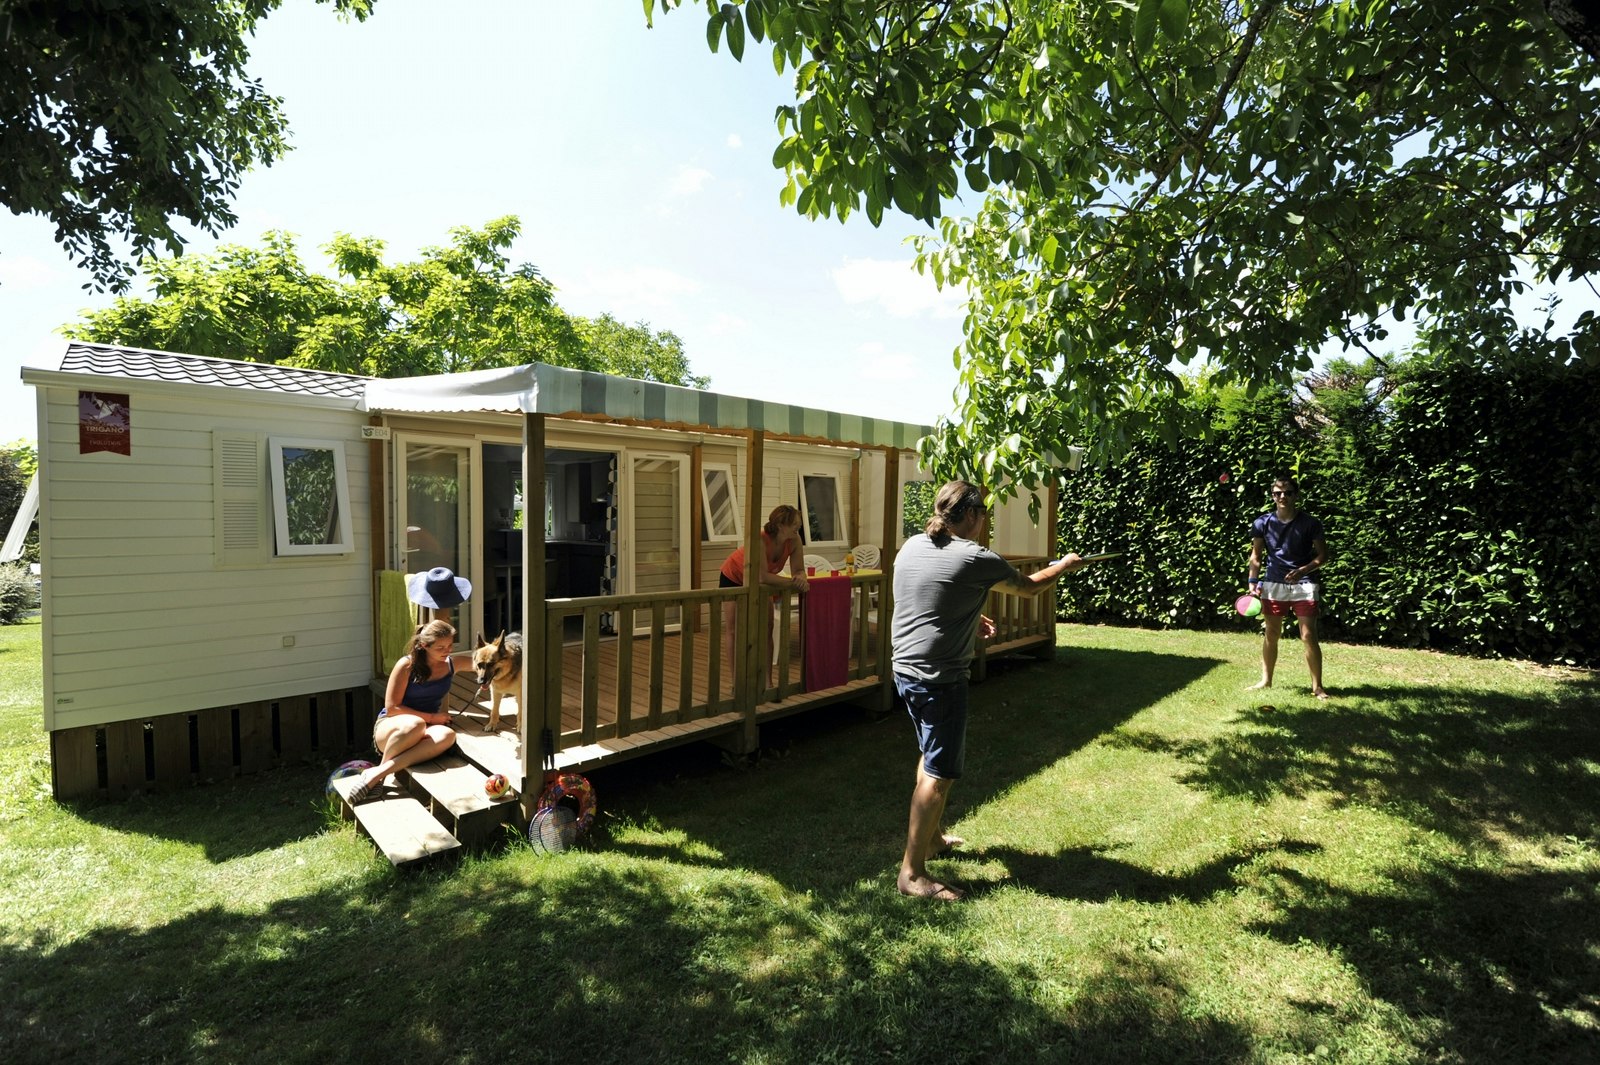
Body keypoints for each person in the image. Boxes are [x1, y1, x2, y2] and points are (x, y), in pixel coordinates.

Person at [891, 480, 1086, 901]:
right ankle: (912, 874)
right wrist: (1065, 566)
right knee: (939, 774)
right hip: (939, 678)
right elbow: (1030, 586)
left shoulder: (911, 545)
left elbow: (926, 594)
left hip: (905, 671)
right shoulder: (975, 556)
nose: (984, 520)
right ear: (972, 515)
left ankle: (933, 839)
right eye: (983, 513)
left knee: (930, 753)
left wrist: (966, 615)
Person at [348, 619, 461, 803]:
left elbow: (482, 660)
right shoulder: (406, 665)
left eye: (450, 645)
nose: (447, 651)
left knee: (448, 735)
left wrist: (489, 677)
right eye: (440, 647)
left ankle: (377, 773)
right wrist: (432, 717)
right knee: (416, 724)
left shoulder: (450, 664)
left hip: (424, 727)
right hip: (393, 728)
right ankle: (380, 776)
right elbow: (392, 708)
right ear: (424, 645)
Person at [1246, 474, 1329, 699]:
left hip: (1304, 584)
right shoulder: (1262, 523)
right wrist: (1252, 582)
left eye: (1288, 493)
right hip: (1273, 583)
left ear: (1296, 495)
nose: (1282, 497)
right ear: (1273, 496)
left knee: (1308, 635)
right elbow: (1256, 556)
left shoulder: (1311, 523)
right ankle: (1266, 681)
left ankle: (1317, 687)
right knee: (1271, 633)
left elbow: (1323, 556)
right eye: (1277, 493)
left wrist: (1303, 570)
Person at [719, 504, 810, 687]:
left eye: (799, 524)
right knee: (734, 629)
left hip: (763, 582)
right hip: (734, 576)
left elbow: (799, 570)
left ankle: (767, 682)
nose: (798, 527)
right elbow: (761, 576)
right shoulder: (760, 539)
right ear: (780, 525)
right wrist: (793, 583)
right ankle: (737, 682)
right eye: (794, 524)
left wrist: (800, 577)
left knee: (767, 628)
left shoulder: (795, 540)